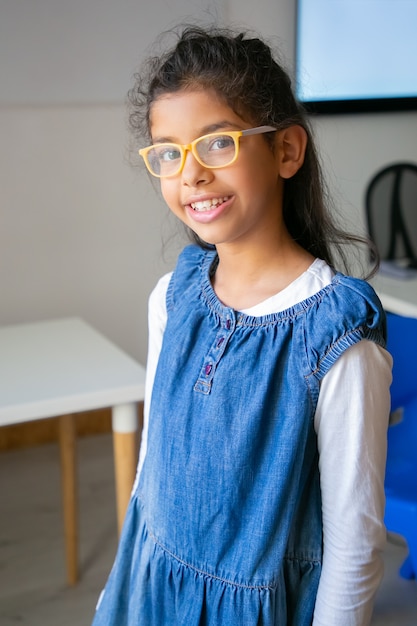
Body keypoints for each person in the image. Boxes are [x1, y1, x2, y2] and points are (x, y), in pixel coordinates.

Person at [92, 26, 392, 626]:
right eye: (169, 152)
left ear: (286, 151)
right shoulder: (173, 298)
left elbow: (355, 548)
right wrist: (116, 592)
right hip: (150, 593)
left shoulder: (336, 339)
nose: (191, 174)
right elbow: (154, 462)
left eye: (218, 144)